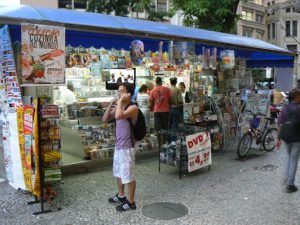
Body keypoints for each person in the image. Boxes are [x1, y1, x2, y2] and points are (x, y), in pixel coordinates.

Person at [102, 82, 139, 211]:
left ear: (129, 93)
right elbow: (105, 119)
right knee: (118, 172)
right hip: (118, 146)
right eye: (118, 91)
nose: (119, 94)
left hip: (127, 147)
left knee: (128, 175)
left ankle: (131, 202)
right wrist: (113, 103)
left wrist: (120, 102)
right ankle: (121, 195)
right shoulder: (120, 106)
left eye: (122, 91)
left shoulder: (133, 107)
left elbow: (118, 116)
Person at [278, 89, 300, 193]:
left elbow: (280, 123)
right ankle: (290, 185)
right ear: (296, 97)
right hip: (296, 138)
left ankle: (287, 177)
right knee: (293, 159)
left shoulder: (285, 108)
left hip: (286, 137)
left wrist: (278, 138)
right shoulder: (298, 108)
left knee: (290, 158)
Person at [149, 77, 171, 143]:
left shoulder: (152, 91)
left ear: (156, 82)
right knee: (165, 128)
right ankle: (164, 143)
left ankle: (159, 144)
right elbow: (170, 100)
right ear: (161, 82)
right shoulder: (167, 89)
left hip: (157, 111)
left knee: (158, 129)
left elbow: (150, 103)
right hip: (165, 111)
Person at [169, 77, 183, 142]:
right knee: (174, 124)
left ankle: (169, 139)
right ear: (176, 82)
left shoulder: (168, 89)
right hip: (176, 108)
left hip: (169, 109)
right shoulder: (178, 90)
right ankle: (173, 140)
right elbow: (180, 100)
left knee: (170, 124)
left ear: (170, 82)